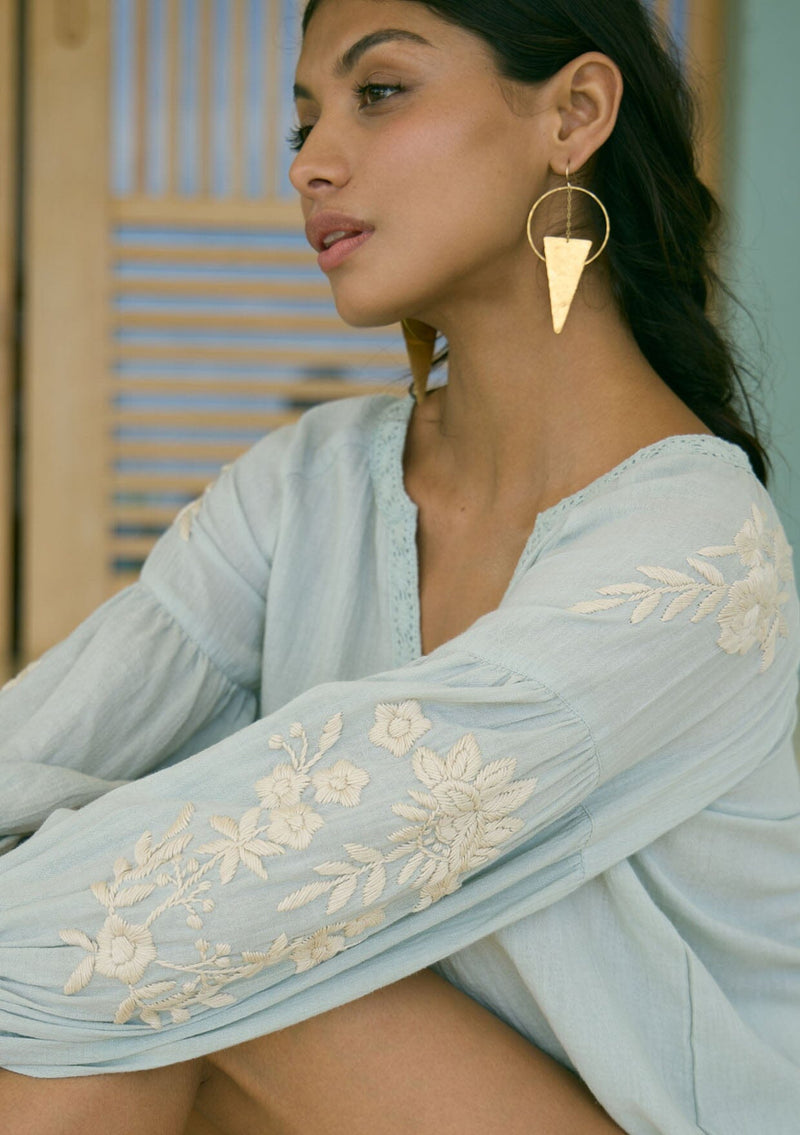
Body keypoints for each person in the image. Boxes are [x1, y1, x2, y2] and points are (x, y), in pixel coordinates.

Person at [1, 0, 798, 1131]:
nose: (313, 165)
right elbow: (34, 747)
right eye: (302, 124)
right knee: (146, 978)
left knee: (180, 965)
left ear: (572, 114)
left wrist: (84, 865)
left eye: (378, 93)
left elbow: (174, 912)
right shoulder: (303, 485)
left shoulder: (689, 557)